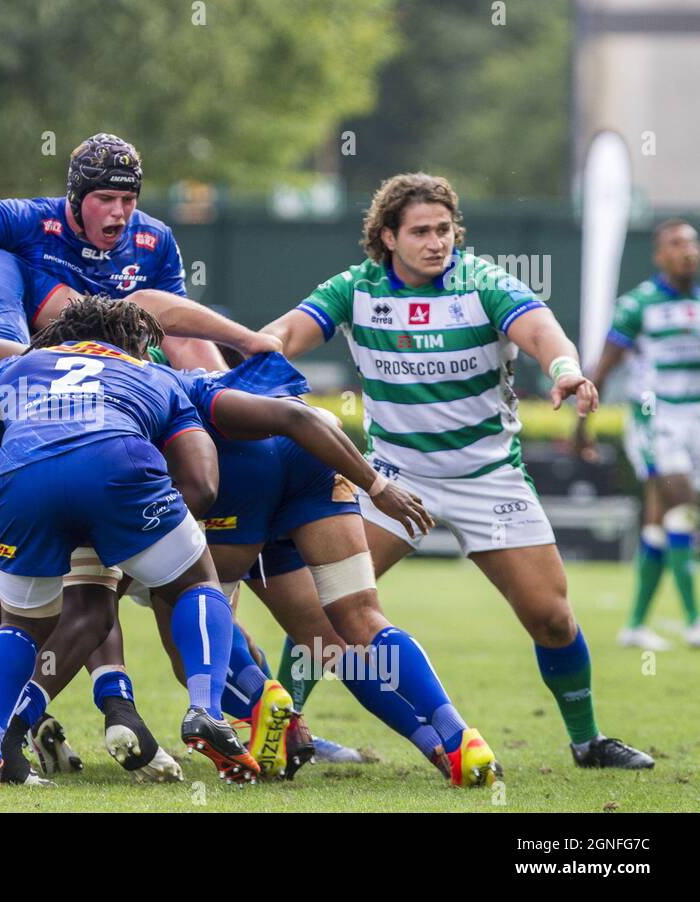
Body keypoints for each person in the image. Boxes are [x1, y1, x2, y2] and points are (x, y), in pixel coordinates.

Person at [261, 171, 653, 770]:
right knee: (328, 606)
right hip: (394, 479)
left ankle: (586, 741)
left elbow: (540, 329)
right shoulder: (355, 289)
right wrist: (249, 351)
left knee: (551, 618)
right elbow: (287, 332)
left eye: (444, 229)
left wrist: (565, 368)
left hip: (487, 477)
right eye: (420, 231)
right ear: (387, 236)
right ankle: (292, 733)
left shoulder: (481, 281)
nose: (436, 241)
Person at [0, 296, 258, 786]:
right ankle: (206, 710)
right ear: (133, 342)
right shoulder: (155, 375)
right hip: (118, 470)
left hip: (20, 480)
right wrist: (128, 530)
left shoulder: (23, 363)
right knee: (195, 583)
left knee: (21, 625)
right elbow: (204, 484)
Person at [0, 132, 277, 369]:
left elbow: (178, 330)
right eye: (105, 198)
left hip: (132, 361)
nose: (119, 212)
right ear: (76, 198)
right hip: (44, 363)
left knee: (170, 324)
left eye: (128, 199)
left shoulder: (155, 239)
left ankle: (223, 405)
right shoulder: (32, 220)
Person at [575, 218, 700, 650]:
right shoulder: (638, 305)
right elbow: (602, 369)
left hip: (696, 423)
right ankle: (694, 621)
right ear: (660, 256)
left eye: (692, 243)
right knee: (685, 503)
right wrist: (582, 426)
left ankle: (635, 626)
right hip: (656, 421)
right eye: (676, 244)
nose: (687, 250)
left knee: (662, 524)